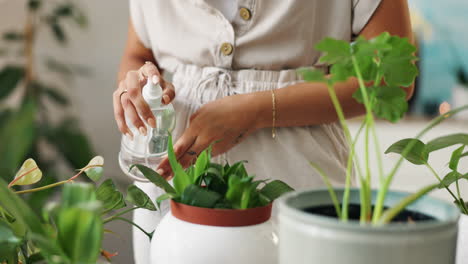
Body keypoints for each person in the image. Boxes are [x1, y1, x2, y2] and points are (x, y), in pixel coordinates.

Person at [113, 0, 414, 262]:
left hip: (299, 178)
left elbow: (393, 77)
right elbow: (138, 53)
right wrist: (138, 84)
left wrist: (257, 110)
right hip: (170, 185)